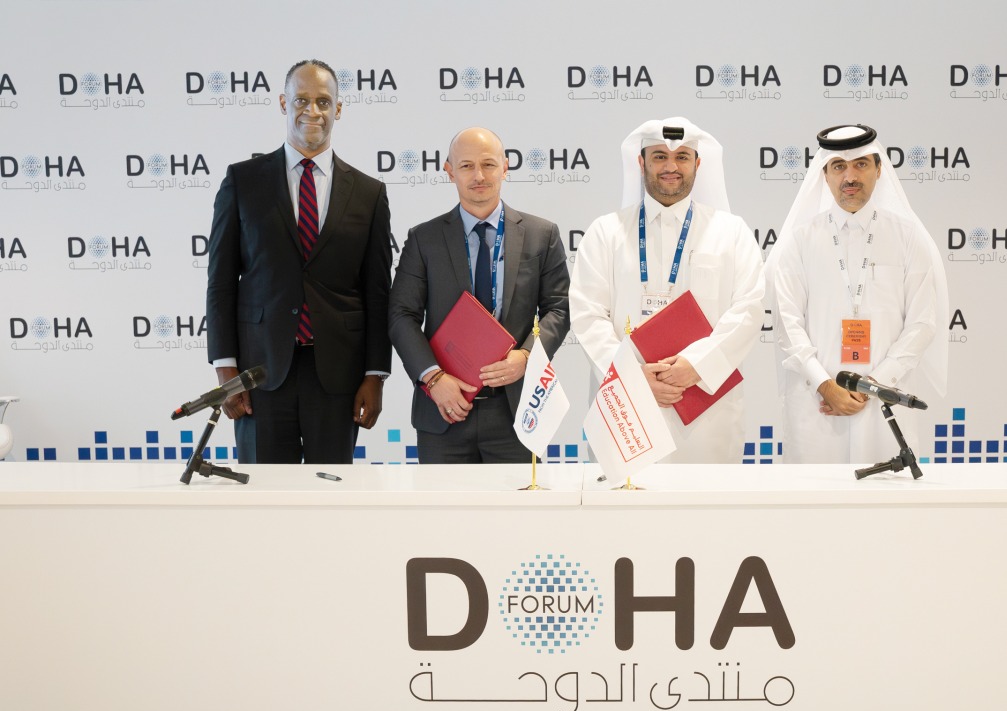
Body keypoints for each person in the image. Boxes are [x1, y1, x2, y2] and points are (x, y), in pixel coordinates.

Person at [205, 59, 392, 464]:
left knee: (331, 501)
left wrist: (375, 374)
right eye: (302, 100)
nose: (313, 111)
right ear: (282, 103)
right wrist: (225, 373)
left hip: (339, 379)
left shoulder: (369, 193)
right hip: (260, 377)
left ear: (338, 109)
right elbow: (220, 283)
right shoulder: (243, 181)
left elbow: (378, 293)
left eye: (324, 101)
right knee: (265, 503)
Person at [570, 117, 764, 463]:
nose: (671, 167)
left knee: (704, 513)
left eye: (682, 157)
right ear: (641, 162)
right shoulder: (605, 232)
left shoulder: (731, 232)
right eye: (659, 156)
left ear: (698, 164)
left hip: (706, 409)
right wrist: (632, 376)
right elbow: (588, 315)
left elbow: (747, 311)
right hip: (626, 406)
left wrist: (696, 365)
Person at [767, 124, 948, 464]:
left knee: (887, 511)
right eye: (839, 166)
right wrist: (825, 386)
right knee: (815, 508)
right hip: (817, 404)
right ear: (825, 173)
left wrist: (875, 384)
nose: (850, 176)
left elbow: (922, 324)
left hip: (884, 402)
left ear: (879, 169)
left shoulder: (909, 238)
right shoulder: (799, 240)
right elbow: (787, 324)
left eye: (861, 164)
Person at [389, 127, 570, 463]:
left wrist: (527, 356)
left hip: (517, 411)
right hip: (444, 409)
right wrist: (433, 379)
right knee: (445, 516)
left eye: (488, 164)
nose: (478, 176)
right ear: (449, 171)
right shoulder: (423, 239)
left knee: (518, 516)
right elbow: (401, 316)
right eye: (467, 166)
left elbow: (558, 308)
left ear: (505, 167)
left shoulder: (541, 235)